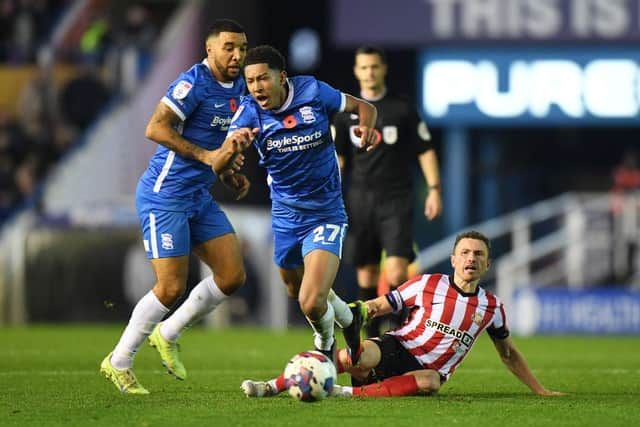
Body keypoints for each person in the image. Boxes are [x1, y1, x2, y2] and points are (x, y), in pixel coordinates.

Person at [100, 19, 258, 395]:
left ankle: (167, 333)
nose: (237, 55)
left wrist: (228, 174)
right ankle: (118, 360)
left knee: (232, 275)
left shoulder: (240, 88)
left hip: (198, 196)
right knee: (170, 287)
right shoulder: (192, 83)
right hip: (164, 195)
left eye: (243, 48)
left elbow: (219, 148)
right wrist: (207, 157)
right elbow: (155, 127)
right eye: (229, 47)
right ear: (210, 50)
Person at [241, 230, 564, 398]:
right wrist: (356, 313)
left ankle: (343, 392)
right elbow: (380, 305)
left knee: (431, 382)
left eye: (478, 254)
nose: (471, 258)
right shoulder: (426, 284)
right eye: (465, 252)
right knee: (357, 355)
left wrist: (539, 389)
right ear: (453, 260)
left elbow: (508, 353)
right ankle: (272, 385)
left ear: (487, 264)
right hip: (397, 348)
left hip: (428, 371)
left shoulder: (492, 308)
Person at [227, 45, 376, 364]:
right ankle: (350, 320)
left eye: (262, 79)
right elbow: (225, 155)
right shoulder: (248, 112)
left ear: (281, 77)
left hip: (326, 213)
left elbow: (364, 108)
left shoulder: (312, 91)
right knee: (296, 291)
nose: (256, 87)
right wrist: (232, 154)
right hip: (284, 217)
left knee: (310, 301)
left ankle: (324, 346)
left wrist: (366, 128)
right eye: (250, 81)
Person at [333, 45, 443, 337]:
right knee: (366, 274)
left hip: (396, 198)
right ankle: (371, 340)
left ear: (384, 69)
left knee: (396, 272)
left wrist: (434, 189)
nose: (369, 72)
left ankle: (397, 335)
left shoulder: (402, 108)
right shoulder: (345, 115)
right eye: (364, 67)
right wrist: (325, 195)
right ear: (356, 71)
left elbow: (425, 150)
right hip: (359, 200)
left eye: (374, 67)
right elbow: (338, 161)